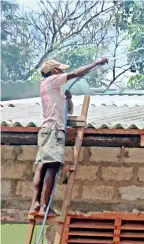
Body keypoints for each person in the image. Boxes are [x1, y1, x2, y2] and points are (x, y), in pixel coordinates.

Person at [29, 57, 108, 216]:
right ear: (54, 71)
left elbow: (68, 111)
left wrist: (69, 99)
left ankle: (36, 205)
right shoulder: (51, 81)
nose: (63, 71)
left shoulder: (53, 89)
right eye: (60, 69)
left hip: (48, 129)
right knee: (52, 165)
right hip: (53, 130)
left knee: (43, 165)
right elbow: (76, 73)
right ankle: (45, 207)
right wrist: (96, 64)